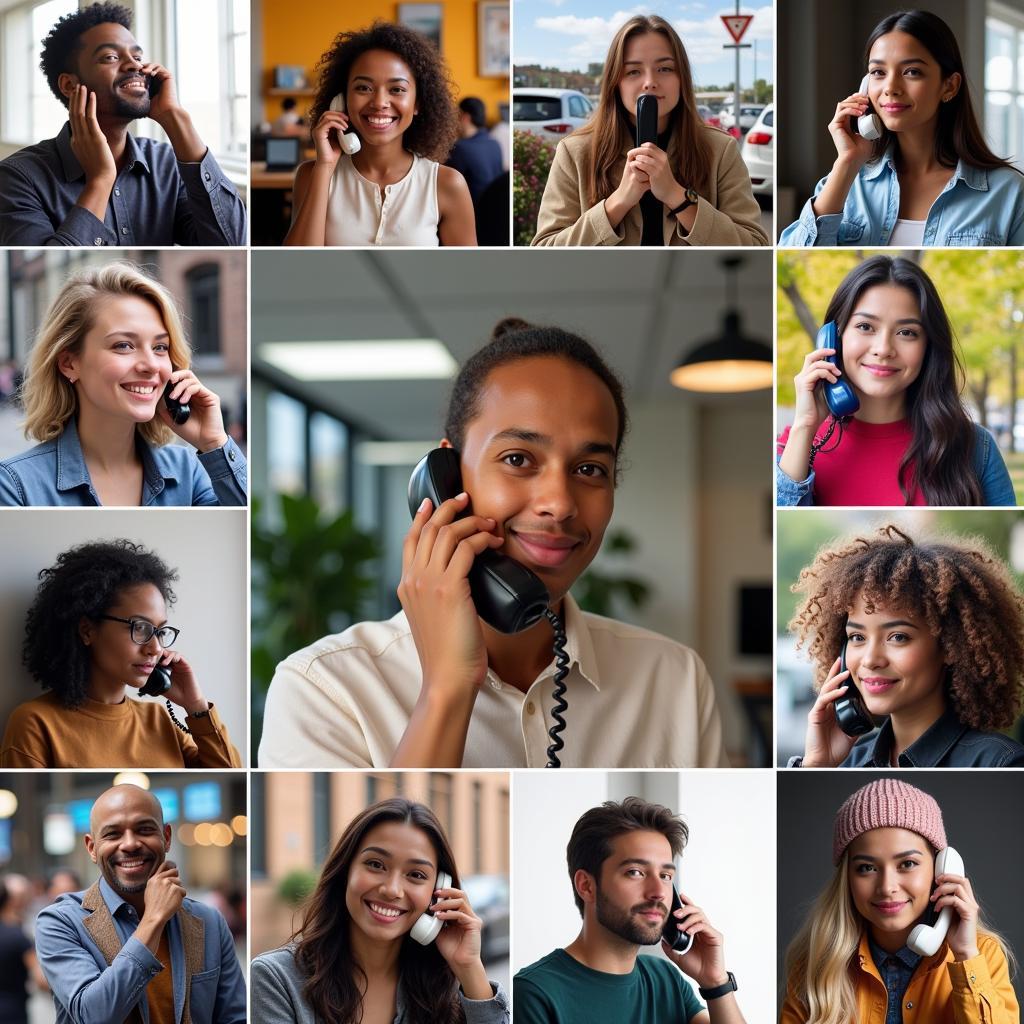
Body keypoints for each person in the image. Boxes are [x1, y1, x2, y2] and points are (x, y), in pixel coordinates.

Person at [259, 319, 727, 769]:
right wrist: (446, 687)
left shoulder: (675, 679)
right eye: (518, 459)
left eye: (589, 469)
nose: (560, 504)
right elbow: (392, 845)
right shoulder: (323, 689)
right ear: (445, 477)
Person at [0, 261, 247, 506]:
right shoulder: (15, 487)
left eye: (160, 347)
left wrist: (214, 443)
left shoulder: (189, 473)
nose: (151, 365)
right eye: (124, 345)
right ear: (69, 363)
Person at [0, 2, 246, 247]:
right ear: (69, 85)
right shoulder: (17, 178)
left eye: (137, 57)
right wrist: (101, 179)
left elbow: (233, 244)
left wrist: (174, 117)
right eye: (111, 57)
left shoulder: (165, 164)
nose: (135, 65)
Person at [776, 255, 1014, 506]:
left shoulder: (975, 448)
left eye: (906, 332)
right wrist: (804, 426)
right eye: (866, 326)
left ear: (928, 346)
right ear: (833, 338)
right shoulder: (794, 446)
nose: (883, 348)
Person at [250, 797, 510, 1024]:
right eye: (375, 864)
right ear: (346, 871)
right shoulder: (276, 979)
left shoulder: (444, 987)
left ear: (438, 891)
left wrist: (469, 968)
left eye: (416, 874)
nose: (392, 889)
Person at [780, 779, 1019, 1022]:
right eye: (866, 868)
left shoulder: (981, 955)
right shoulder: (815, 968)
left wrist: (966, 956)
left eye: (907, 864)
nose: (887, 887)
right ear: (847, 877)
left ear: (940, 870)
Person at [787, 523, 1024, 768]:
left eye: (898, 637)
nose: (870, 660)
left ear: (950, 647)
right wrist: (816, 767)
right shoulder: (847, 761)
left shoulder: (1000, 763)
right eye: (857, 637)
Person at [779, 10, 1024, 246]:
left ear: (949, 86)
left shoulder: (1009, 192)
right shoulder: (845, 183)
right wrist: (846, 163)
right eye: (878, 72)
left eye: (912, 72)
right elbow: (790, 256)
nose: (890, 87)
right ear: (866, 86)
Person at [1, 539, 242, 769]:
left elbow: (233, 774)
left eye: (159, 631)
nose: (156, 648)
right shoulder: (35, 723)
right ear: (87, 630)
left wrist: (195, 706)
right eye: (140, 627)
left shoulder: (157, 719)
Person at [531, 15, 768, 247]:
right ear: (616, 82)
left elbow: (756, 245)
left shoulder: (720, 150)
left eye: (664, 68)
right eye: (633, 71)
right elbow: (544, 250)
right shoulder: (575, 152)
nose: (650, 81)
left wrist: (677, 196)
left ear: (682, 78)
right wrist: (619, 201)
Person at [514, 797, 745, 1023]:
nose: (659, 892)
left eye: (665, 876)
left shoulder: (665, 981)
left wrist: (715, 982)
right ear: (586, 885)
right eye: (635, 872)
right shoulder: (534, 994)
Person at [35, 785, 246, 1024]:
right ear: (92, 848)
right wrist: (154, 918)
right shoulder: (60, 921)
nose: (130, 844)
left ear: (166, 838)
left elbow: (234, 1017)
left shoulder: (209, 921)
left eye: (144, 829)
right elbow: (92, 1016)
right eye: (112, 834)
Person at [284, 21, 476, 246]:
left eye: (397, 90)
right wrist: (325, 167)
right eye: (364, 88)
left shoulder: (446, 184)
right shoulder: (312, 175)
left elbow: (468, 277)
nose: (379, 103)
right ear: (342, 100)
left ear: (418, 103)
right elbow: (299, 271)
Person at [447, 97, 504, 203]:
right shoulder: (495, 144)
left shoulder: (460, 148)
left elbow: (445, 186)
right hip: (494, 210)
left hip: (471, 212)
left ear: (465, 117)